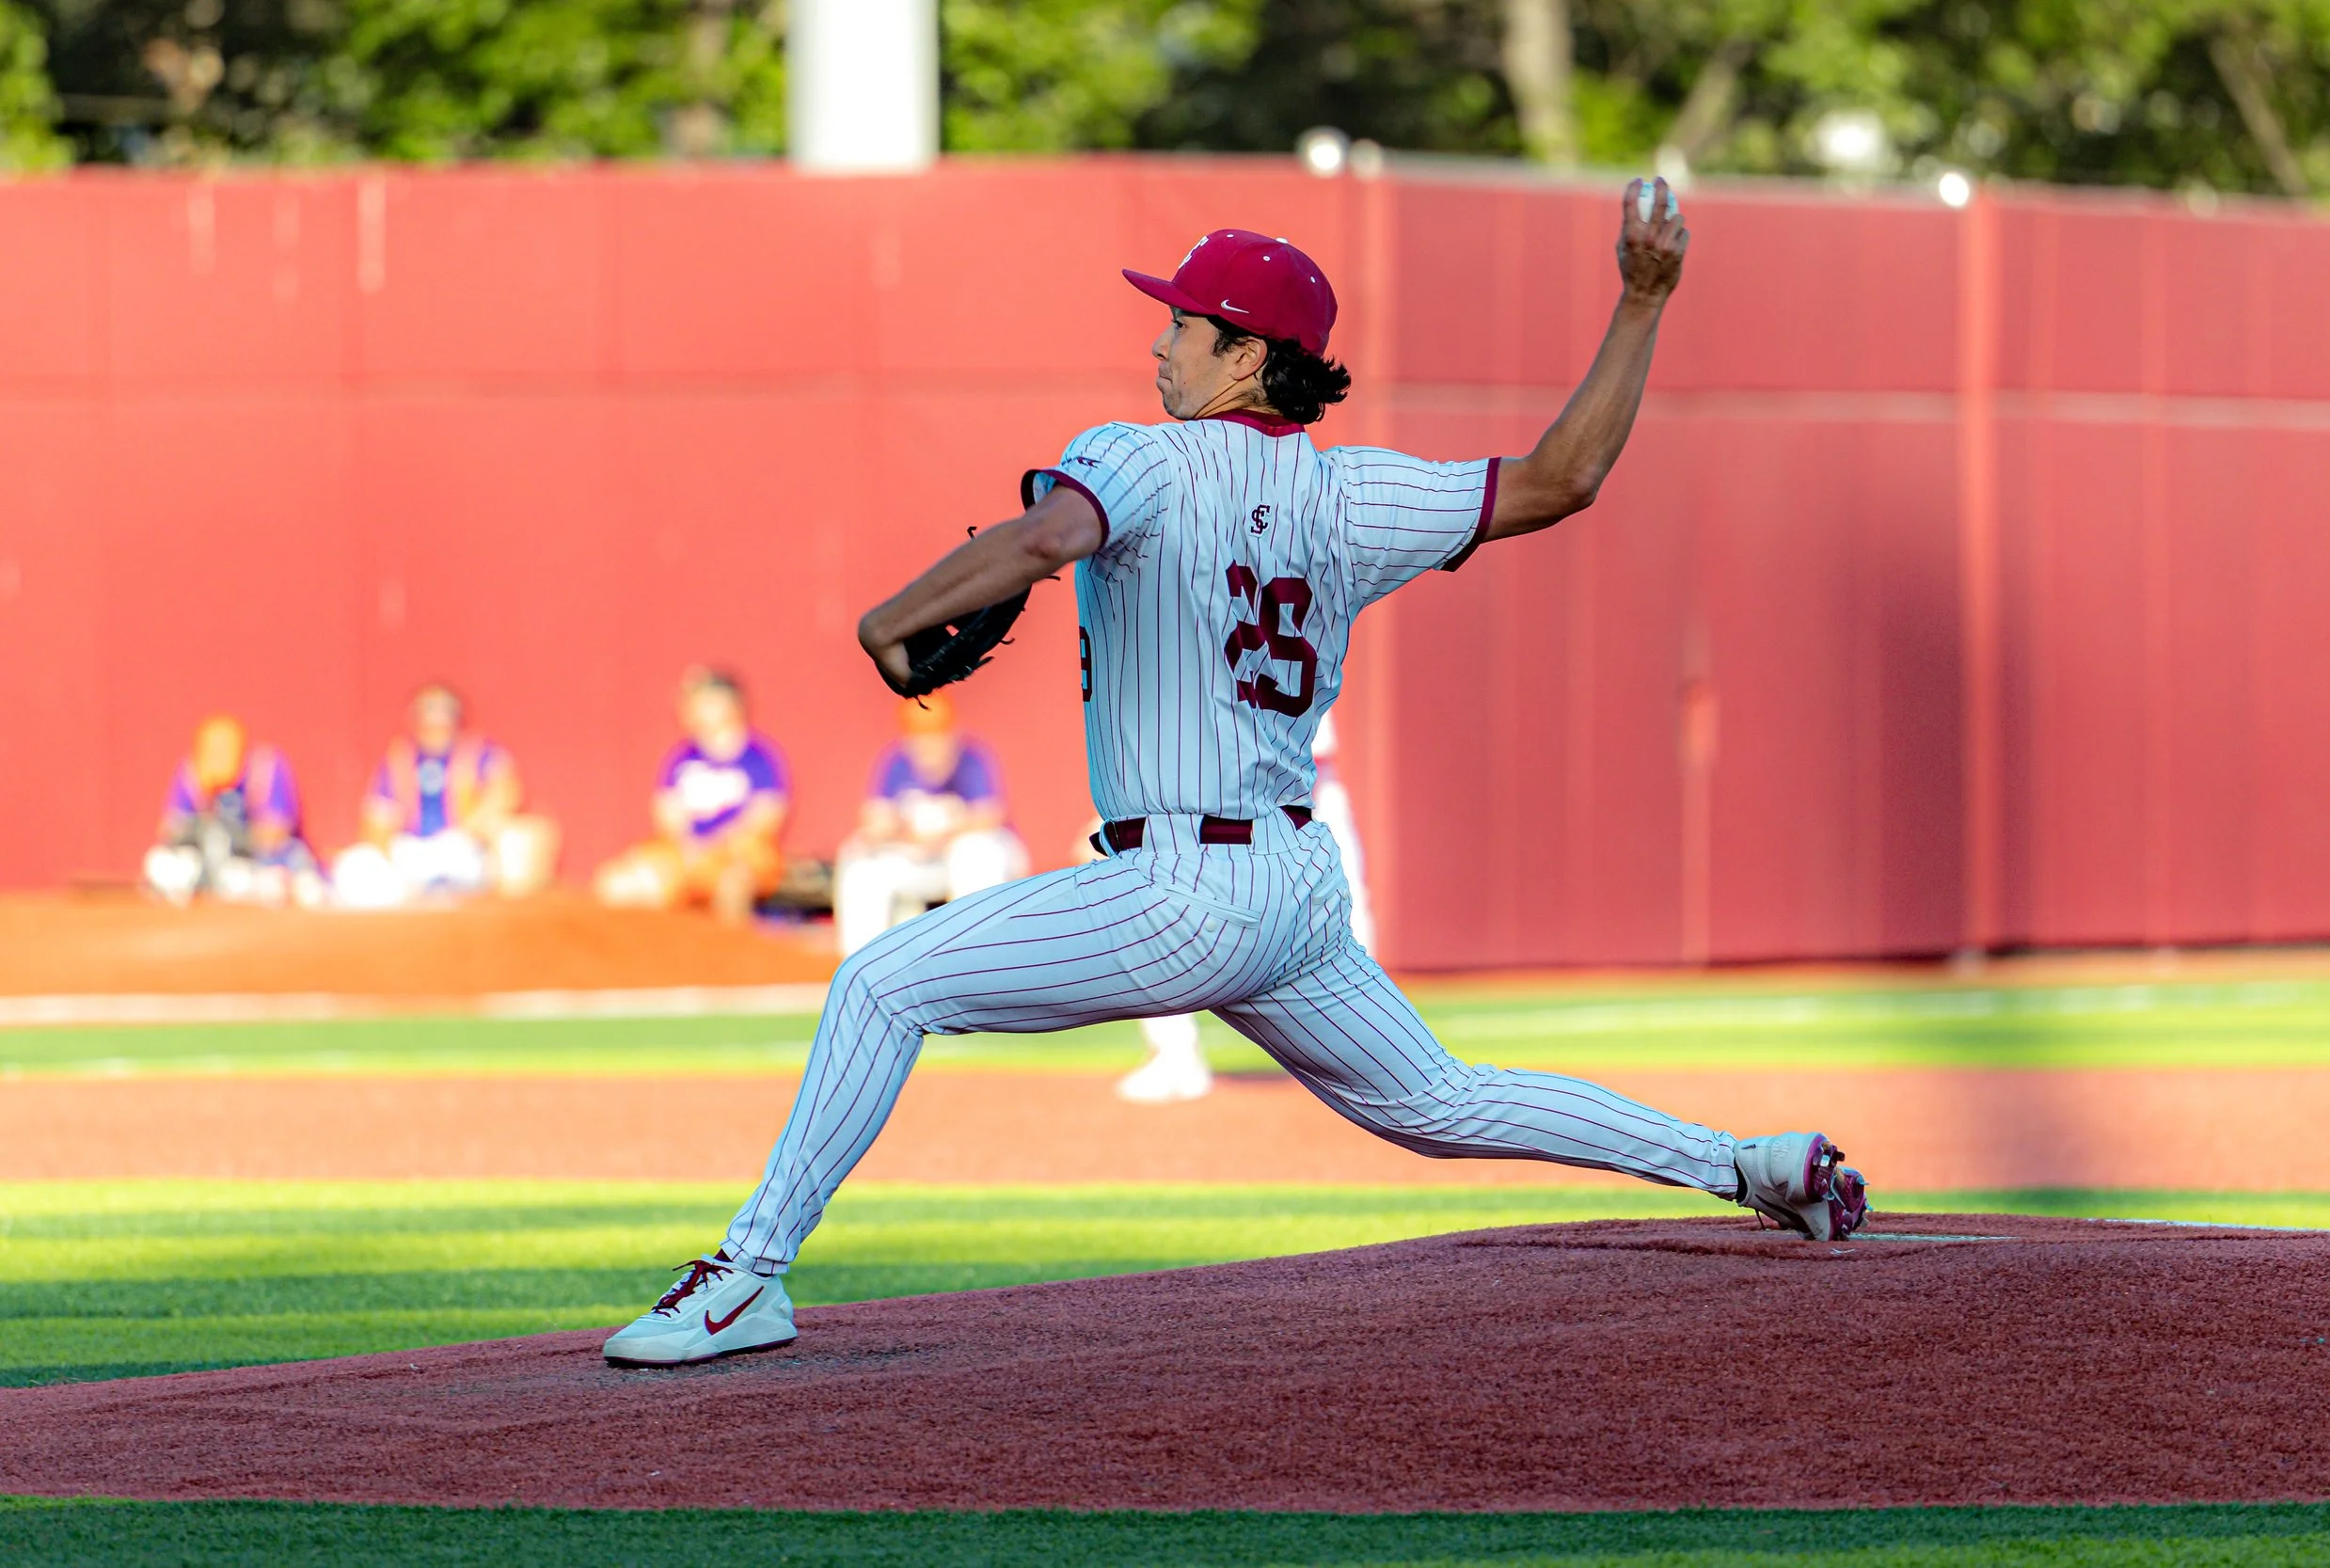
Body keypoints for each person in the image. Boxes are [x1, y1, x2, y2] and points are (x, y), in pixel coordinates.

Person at [604, 186, 1867, 1368]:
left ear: (1249, 356)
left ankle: (748, 1273)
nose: (1163, 345)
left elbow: (1049, 535)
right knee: (1437, 1097)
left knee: (883, 981)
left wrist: (892, 617)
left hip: (1180, 887)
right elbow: (1562, 479)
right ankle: (1749, 1162)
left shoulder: (1143, 456)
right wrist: (1643, 298)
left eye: (1186, 325)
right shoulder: (1353, 492)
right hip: (1295, 890)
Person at [1115, 710, 1371, 1103]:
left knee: (1158, 911)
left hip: (1268, 801)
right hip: (1275, 802)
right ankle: (1176, 1055)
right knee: (1156, 911)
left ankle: (1359, 1055)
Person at [330, 684, 560, 907]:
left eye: (442, 716)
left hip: (463, 850)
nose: (435, 724)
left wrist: (467, 831)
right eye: (428, 716)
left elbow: (507, 792)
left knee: (512, 843)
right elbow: (377, 820)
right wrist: (388, 858)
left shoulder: (479, 754)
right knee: (355, 865)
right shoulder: (399, 760)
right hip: (413, 853)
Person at [594, 668, 790, 925]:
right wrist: (689, 847)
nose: (690, 709)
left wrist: (714, 848)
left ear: (730, 705)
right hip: (687, 854)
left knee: (732, 885)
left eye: (702, 701)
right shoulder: (682, 759)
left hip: (736, 856)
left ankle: (727, 956)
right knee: (616, 885)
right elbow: (666, 813)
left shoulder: (759, 758)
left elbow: (766, 818)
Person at [832, 696, 1028, 954]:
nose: (929, 746)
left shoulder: (972, 759)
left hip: (966, 862)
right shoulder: (896, 762)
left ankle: (975, 958)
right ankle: (863, 963)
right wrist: (907, 836)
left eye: (936, 736)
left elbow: (990, 816)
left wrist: (942, 837)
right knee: (859, 861)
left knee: (975, 851)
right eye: (921, 737)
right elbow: (874, 822)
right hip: (921, 861)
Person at [143, 715, 325, 908]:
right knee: (161, 862)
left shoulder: (264, 768)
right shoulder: (192, 771)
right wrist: (203, 822)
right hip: (211, 862)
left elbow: (277, 831)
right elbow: (169, 828)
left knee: (274, 878)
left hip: (257, 861)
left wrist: (235, 836)